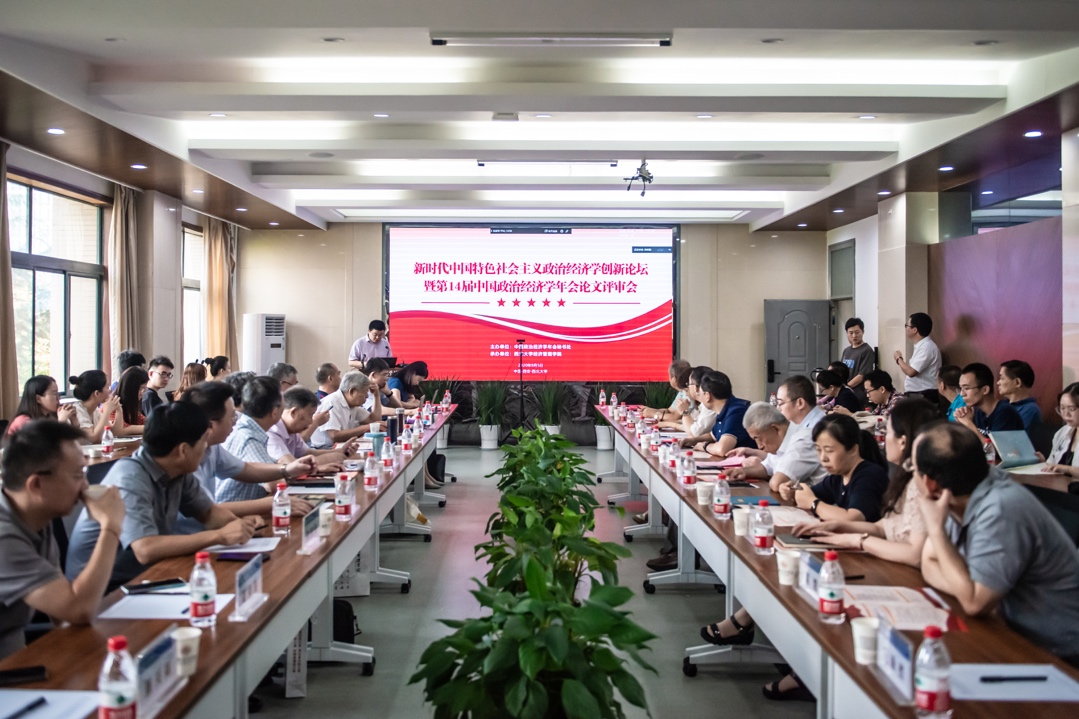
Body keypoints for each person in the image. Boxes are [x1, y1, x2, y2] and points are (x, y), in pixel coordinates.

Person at [914, 422, 1079, 665]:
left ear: (929, 483)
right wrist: (965, 588)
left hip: (1058, 656)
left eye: (913, 469)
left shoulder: (1002, 507)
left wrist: (936, 531)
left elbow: (974, 602)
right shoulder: (961, 490)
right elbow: (928, 562)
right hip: (1009, 633)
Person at [65, 402, 262, 588]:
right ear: (183, 450)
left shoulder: (178, 470)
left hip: (143, 574)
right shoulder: (130, 478)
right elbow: (145, 549)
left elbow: (209, 513)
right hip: (104, 587)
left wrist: (240, 526)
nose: (206, 449)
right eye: (203, 442)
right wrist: (219, 536)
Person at [0, 420, 125, 660]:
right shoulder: (4, 537)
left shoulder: (35, 517)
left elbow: (63, 612)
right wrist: (111, 526)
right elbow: (78, 609)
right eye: (78, 475)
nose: (85, 486)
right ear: (36, 485)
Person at [794, 397, 938, 566]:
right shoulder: (906, 478)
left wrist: (858, 540)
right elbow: (881, 527)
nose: (884, 437)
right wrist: (836, 526)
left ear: (903, 441)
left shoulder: (920, 484)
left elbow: (915, 554)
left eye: (887, 432)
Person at [183, 381, 316, 519]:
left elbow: (245, 469)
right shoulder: (186, 458)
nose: (235, 422)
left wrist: (287, 469)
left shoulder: (213, 447)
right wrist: (273, 503)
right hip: (211, 525)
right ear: (211, 426)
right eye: (232, 416)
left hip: (224, 520)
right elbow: (207, 509)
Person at [215, 378, 321, 504]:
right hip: (235, 513)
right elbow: (274, 485)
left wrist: (290, 468)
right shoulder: (249, 438)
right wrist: (288, 470)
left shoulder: (251, 430)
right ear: (275, 412)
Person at [781, 414, 888, 522]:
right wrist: (793, 492)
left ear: (853, 450)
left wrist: (813, 503)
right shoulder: (837, 477)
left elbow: (853, 518)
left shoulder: (870, 476)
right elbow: (809, 495)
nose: (823, 458)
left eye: (829, 451)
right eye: (818, 450)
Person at [727, 402, 825, 491]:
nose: (759, 446)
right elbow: (766, 468)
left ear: (775, 429)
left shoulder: (803, 440)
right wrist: (742, 471)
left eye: (758, 438)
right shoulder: (780, 442)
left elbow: (777, 483)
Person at [268, 387, 355, 468]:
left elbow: (307, 453)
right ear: (294, 412)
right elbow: (291, 465)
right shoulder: (273, 432)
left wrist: (340, 451)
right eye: (310, 415)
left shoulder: (292, 431)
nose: (311, 422)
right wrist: (324, 462)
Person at [311, 371, 383, 448]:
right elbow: (334, 436)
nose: (367, 396)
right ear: (352, 391)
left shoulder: (352, 404)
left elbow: (374, 421)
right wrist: (366, 428)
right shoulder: (332, 403)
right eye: (365, 392)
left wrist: (376, 396)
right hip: (324, 449)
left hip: (341, 446)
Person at [954, 362, 1023, 437]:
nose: (962, 394)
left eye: (966, 388)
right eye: (961, 388)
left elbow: (994, 445)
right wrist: (961, 423)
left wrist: (969, 424)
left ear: (985, 390)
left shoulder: (1005, 412)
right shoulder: (976, 411)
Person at [699, 371, 754, 458]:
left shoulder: (737, 411)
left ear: (707, 396)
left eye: (700, 393)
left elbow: (722, 449)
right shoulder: (725, 408)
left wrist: (704, 446)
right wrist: (691, 441)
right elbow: (712, 436)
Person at [4, 376, 78, 437]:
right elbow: (46, 446)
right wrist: (61, 421)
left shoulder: (49, 417)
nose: (58, 398)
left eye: (58, 394)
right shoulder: (23, 421)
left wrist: (74, 422)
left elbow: (71, 444)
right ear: (38, 399)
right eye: (54, 394)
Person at [894, 312, 942, 404]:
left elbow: (911, 372)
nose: (905, 328)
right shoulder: (921, 346)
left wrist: (898, 359)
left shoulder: (926, 347)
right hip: (918, 395)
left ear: (914, 330)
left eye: (906, 325)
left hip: (924, 395)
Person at [69, 370, 121, 443]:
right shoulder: (77, 410)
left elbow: (115, 432)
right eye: (107, 387)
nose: (110, 390)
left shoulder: (95, 410)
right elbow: (93, 438)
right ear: (97, 393)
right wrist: (107, 411)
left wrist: (119, 409)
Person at [1045, 383, 1079, 479]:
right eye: (1062, 408)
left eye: (1072, 409)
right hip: (1060, 485)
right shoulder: (1062, 432)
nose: (1065, 414)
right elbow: (1052, 463)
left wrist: (1068, 469)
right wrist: (1042, 462)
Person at [677, 366, 717, 448]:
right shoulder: (703, 405)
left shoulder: (711, 405)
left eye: (688, 384)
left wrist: (685, 412)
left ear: (695, 387)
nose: (688, 388)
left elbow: (694, 434)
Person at [997, 360, 1042, 429]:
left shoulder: (1030, 410)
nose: (998, 383)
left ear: (1017, 382)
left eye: (1002, 378)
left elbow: (1010, 435)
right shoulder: (1002, 405)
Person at [841, 318, 875, 406]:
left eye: (857, 332)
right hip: (846, 393)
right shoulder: (846, 350)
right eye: (851, 333)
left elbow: (862, 375)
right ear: (846, 333)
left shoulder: (867, 350)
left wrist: (845, 387)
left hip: (858, 394)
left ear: (862, 332)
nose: (854, 336)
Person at [114, 367, 149, 436]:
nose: (142, 393)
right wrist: (150, 427)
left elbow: (146, 422)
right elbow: (120, 430)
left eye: (145, 388)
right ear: (129, 388)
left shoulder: (131, 407)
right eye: (141, 388)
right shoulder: (113, 403)